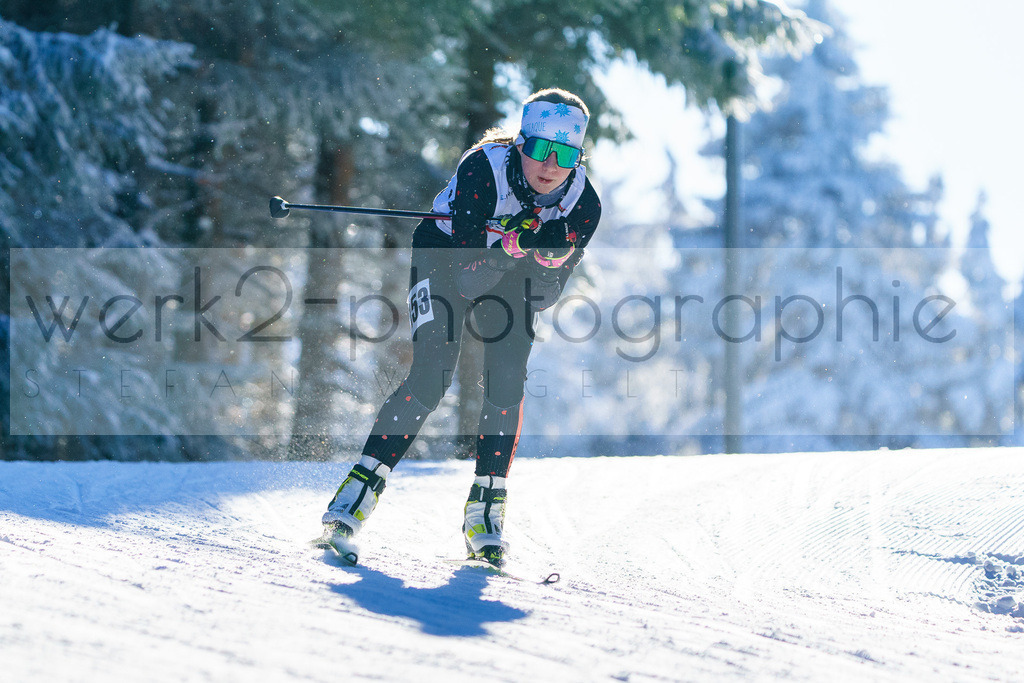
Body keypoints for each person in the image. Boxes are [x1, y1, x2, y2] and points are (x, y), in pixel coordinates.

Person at [317, 88, 602, 566]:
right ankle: (355, 495)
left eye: (566, 153)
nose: (550, 164)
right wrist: (512, 247)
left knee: (507, 378)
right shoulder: (482, 170)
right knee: (432, 375)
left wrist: (553, 258)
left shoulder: (582, 204)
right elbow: (467, 279)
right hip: (445, 257)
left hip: (511, 273)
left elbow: (544, 297)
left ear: (577, 157)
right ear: (519, 144)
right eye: (538, 149)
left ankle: (486, 511)